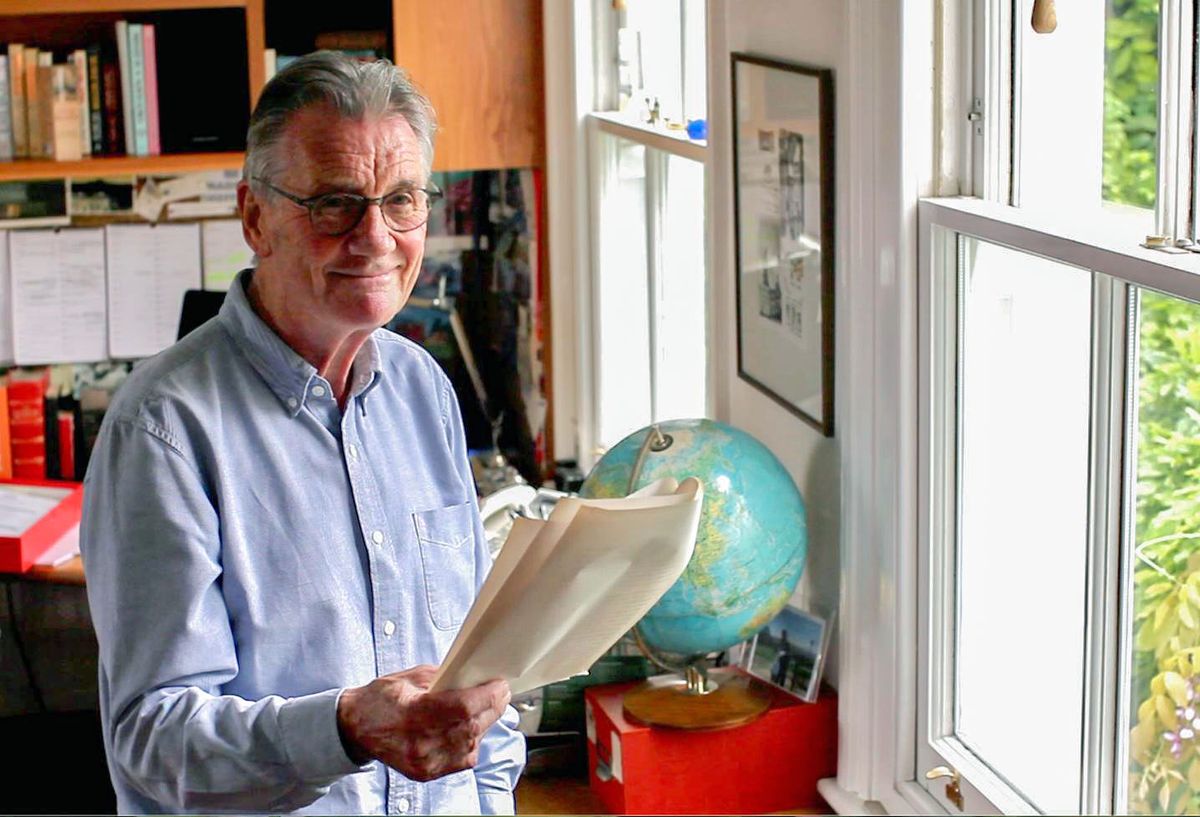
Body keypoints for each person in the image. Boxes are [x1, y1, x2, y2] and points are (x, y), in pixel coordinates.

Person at [80, 52, 525, 815]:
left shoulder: (424, 390)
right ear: (255, 216)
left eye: (403, 200)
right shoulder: (164, 428)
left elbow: (482, 684)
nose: (377, 238)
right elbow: (153, 740)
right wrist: (344, 728)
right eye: (336, 205)